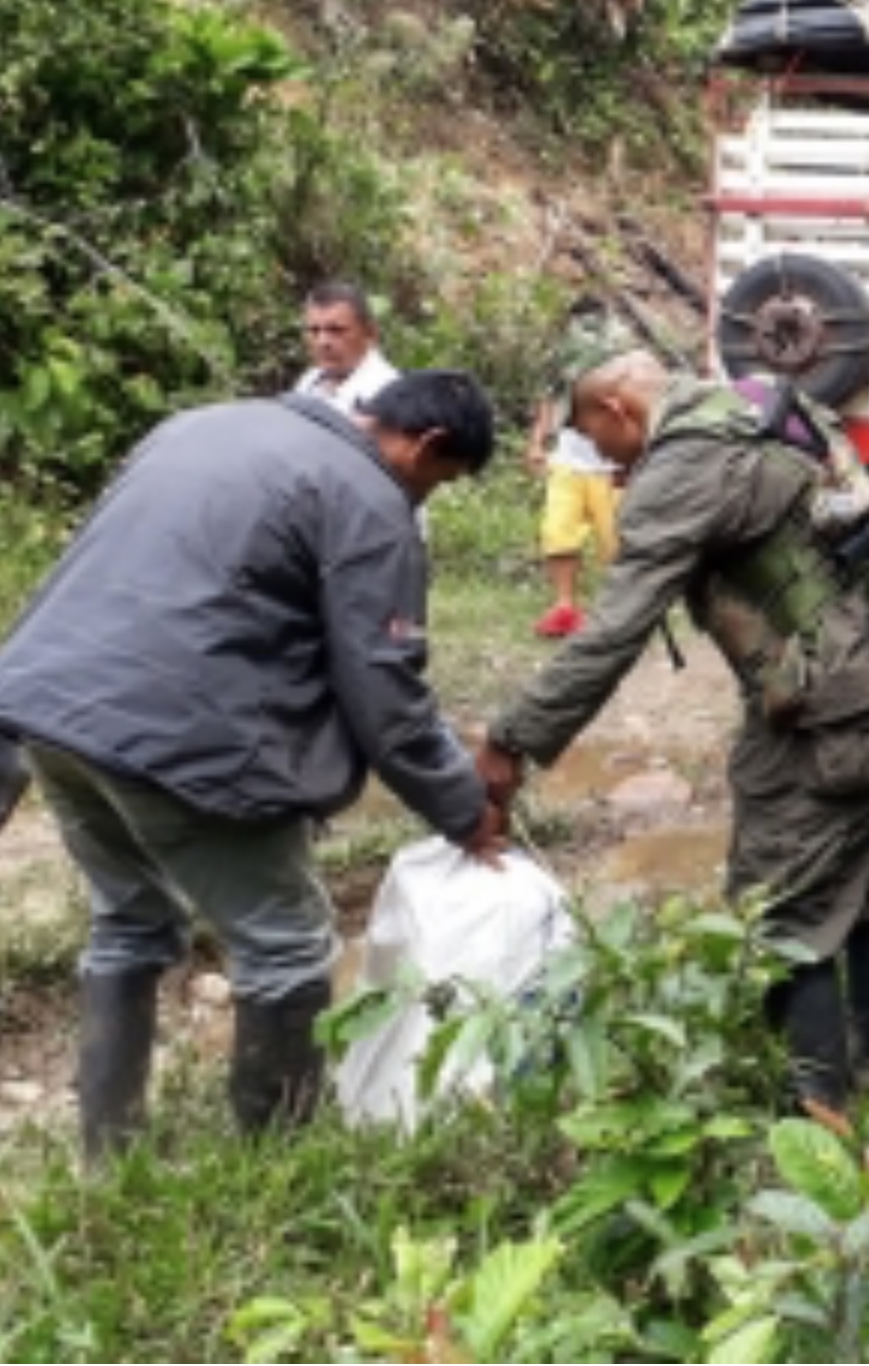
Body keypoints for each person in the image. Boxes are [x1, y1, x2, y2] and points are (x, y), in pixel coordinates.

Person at [0, 371, 507, 1160]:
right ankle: (279, 1164)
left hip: (43, 708)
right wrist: (464, 808)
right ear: (428, 444)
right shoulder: (370, 500)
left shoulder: (203, 424)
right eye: (437, 484)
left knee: (129, 923)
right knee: (289, 948)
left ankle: (108, 1154)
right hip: (173, 735)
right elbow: (386, 693)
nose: (424, 501)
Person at [475, 352, 869, 1113]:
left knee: (784, 908)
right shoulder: (762, 400)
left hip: (835, 706)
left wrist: (512, 739)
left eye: (591, 435)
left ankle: (819, 1122)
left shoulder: (684, 464)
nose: (595, 456)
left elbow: (613, 630)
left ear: (619, 408)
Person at [527, 299, 637, 639]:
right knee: (557, 532)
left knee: (616, 543)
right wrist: (537, 441)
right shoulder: (563, 355)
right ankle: (565, 607)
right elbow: (549, 397)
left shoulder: (623, 356)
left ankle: (619, 612)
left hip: (610, 464)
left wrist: (635, 457)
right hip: (569, 460)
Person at [293, 279, 400, 414]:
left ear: (370, 333)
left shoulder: (387, 395)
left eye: (336, 330)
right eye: (314, 331)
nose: (322, 342)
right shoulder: (309, 381)